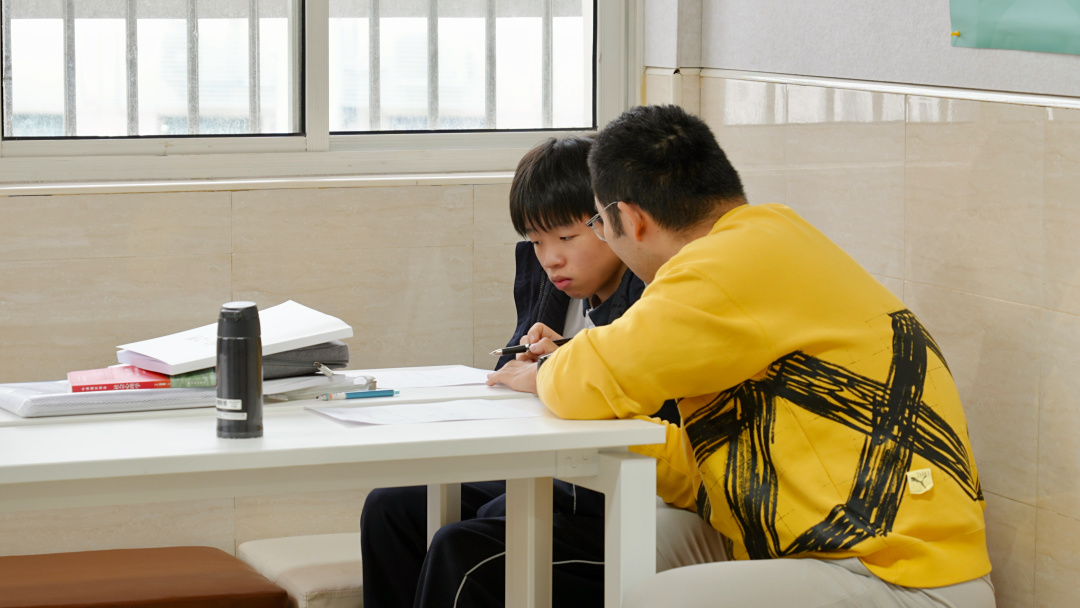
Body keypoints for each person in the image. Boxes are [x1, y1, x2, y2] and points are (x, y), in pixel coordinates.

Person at [488, 104, 995, 608]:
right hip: (823, 541)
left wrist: (547, 372)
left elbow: (590, 377)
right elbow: (704, 462)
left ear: (633, 219)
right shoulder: (768, 236)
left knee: (658, 598)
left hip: (900, 572)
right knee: (632, 545)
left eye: (600, 223)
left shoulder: (722, 267)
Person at [360, 135, 708, 608]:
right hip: (562, 465)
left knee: (472, 534)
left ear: (612, 222)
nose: (550, 258)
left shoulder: (651, 289)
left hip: (622, 478)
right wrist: (539, 362)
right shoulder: (551, 282)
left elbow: (651, 404)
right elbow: (513, 368)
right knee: (392, 507)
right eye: (536, 240)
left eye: (566, 237)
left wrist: (563, 364)